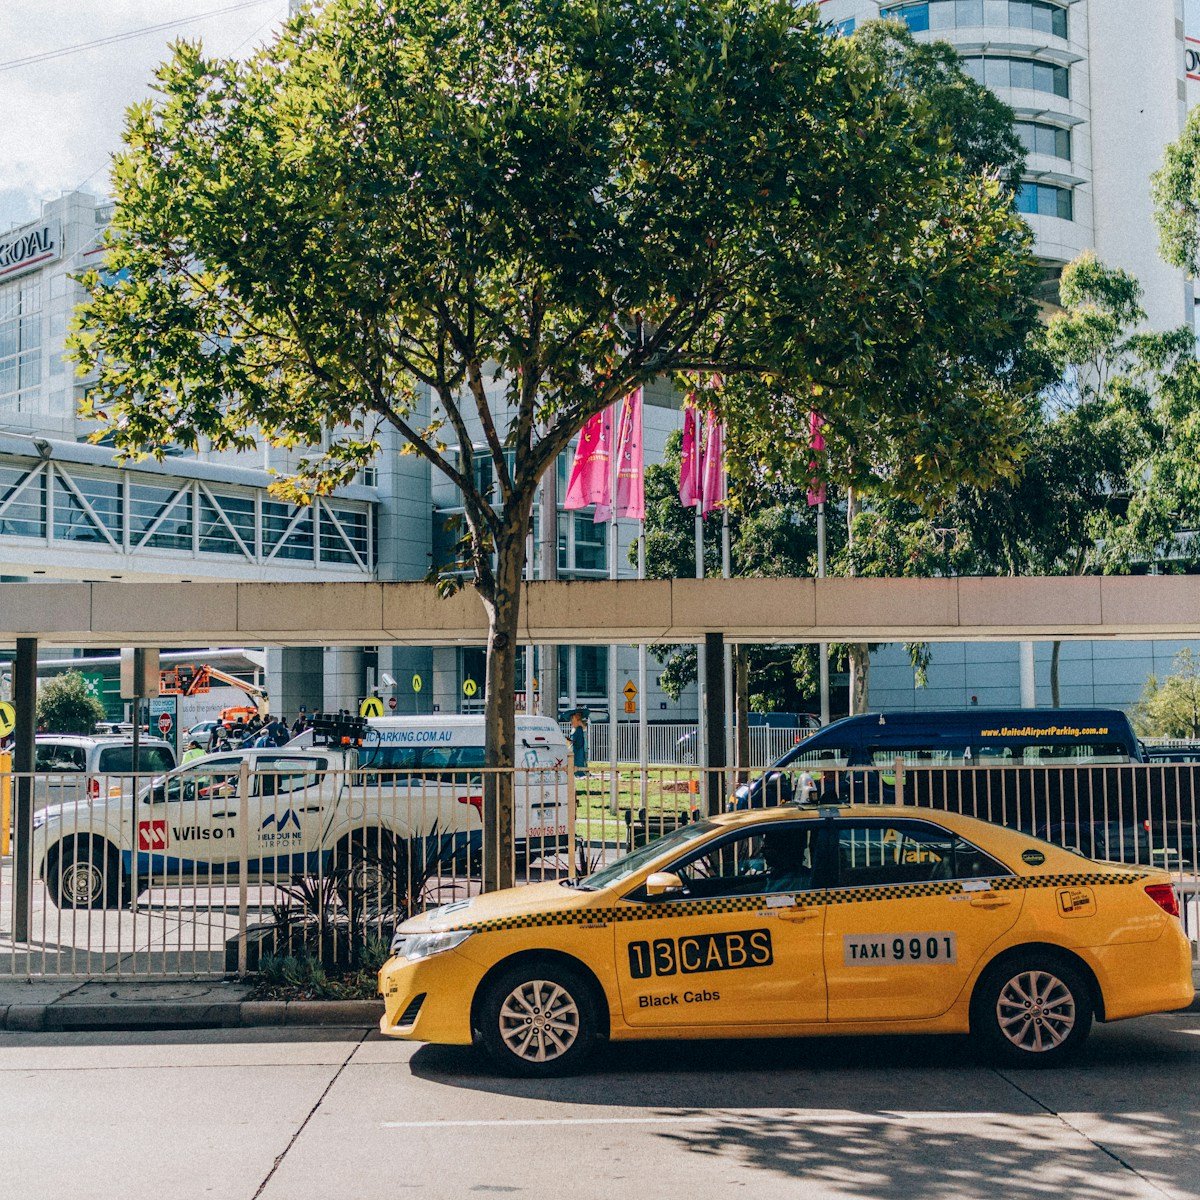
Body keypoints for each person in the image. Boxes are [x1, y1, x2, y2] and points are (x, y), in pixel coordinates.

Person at [569, 711, 588, 781]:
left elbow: (577, 740)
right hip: (577, 748)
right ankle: (579, 772)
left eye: (573, 719)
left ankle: (580, 773)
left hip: (578, 748)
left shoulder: (579, 728)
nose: (571, 721)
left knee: (579, 761)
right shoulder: (576, 729)